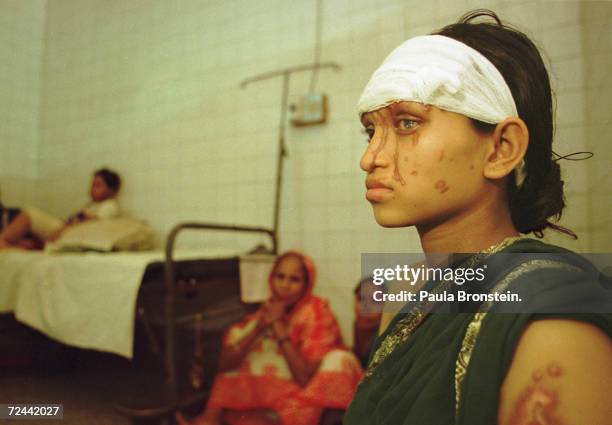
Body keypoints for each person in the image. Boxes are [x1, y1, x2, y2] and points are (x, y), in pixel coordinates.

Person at [343, 10, 611, 425]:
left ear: (501, 148)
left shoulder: (553, 323)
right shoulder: (401, 293)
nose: (370, 158)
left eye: (408, 123)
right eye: (370, 131)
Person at [177, 251, 363, 425]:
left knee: (339, 360)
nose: (285, 285)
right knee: (246, 344)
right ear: (271, 278)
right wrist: (259, 327)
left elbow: (304, 377)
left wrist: (278, 327)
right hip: (285, 385)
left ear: (307, 285)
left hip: (312, 386)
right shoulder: (269, 308)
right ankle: (211, 418)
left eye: (294, 279)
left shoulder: (317, 313)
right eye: (279, 277)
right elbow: (225, 364)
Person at [0, 168, 121, 249]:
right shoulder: (92, 205)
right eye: (92, 184)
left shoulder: (110, 205)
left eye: (98, 185)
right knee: (27, 238)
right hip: (63, 227)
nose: (92, 188)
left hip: (66, 231)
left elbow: (89, 224)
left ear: (111, 190)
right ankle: (9, 243)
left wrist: (60, 231)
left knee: (30, 214)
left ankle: (3, 240)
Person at [352, 277, 384, 368]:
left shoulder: (389, 334)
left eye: (374, 301)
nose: (366, 306)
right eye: (361, 299)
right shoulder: (358, 325)